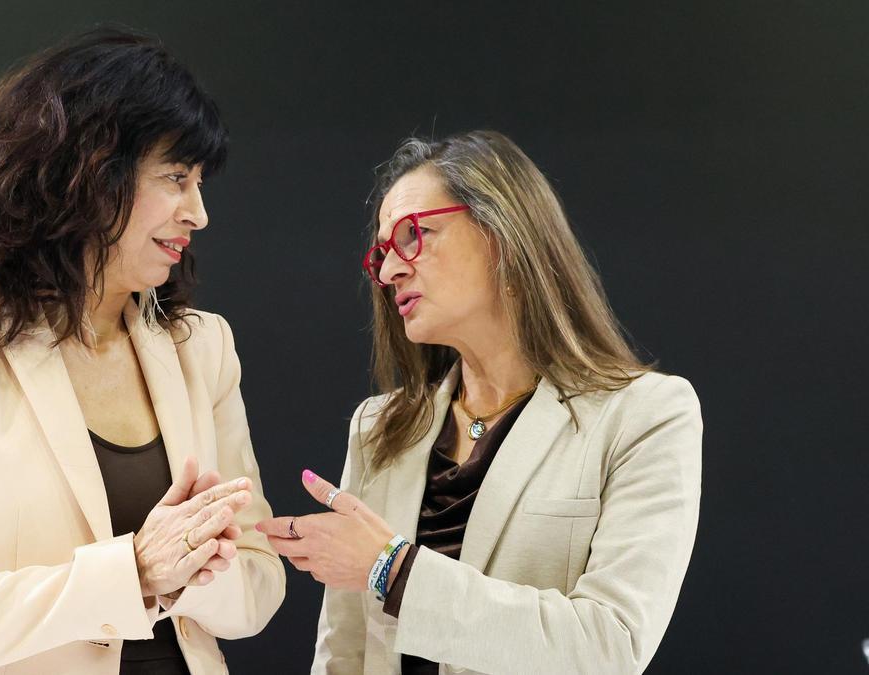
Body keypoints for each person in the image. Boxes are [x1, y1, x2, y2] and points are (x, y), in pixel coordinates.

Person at [0, 30, 285, 675]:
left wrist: (199, 562)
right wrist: (131, 574)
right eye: (175, 179)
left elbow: (258, 592)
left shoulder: (203, 347)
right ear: (87, 174)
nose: (198, 213)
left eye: (199, 184)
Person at [259, 130, 702, 674]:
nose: (390, 270)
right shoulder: (378, 428)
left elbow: (609, 647)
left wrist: (391, 569)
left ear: (502, 232)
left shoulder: (645, 416)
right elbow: (345, 654)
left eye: (413, 234)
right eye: (381, 253)